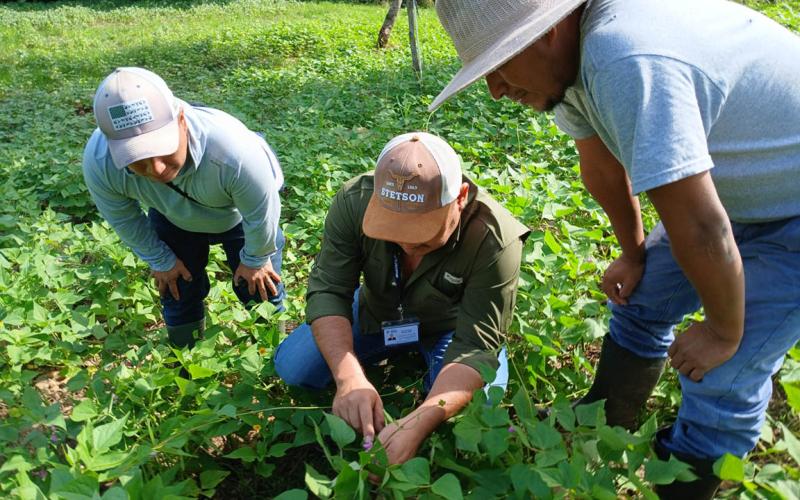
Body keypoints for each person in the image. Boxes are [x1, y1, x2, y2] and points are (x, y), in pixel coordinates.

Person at [429, 0, 800, 497]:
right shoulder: (570, 63)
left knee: (725, 372)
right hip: (738, 196)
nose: (495, 90)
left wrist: (721, 331)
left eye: (499, 63)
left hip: (790, 212)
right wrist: (633, 253)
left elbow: (702, 227)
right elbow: (602, 166)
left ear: (547, 31)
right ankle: (605, 420)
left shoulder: (623, 55)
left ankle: (682, 485)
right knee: (640, 296)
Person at [274, 132, 529, 464]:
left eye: (423, 236)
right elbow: (330, 291)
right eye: (393, 230)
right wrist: (348, 377)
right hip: (376, 310)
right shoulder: (354, 202)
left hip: (451, 326)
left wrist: (420, 420)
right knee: (295, 368)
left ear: (460, 197)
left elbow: (475, 345)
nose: (407, 245)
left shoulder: (495, 238)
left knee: (484, 401)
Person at [83, 67, 285, 348]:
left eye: (161, 149)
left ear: (181, 120)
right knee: (177, 289)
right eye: (137, 159)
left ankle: (273, 355)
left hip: (239, 214)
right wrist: (160, 260)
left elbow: (261, 212)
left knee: (260, 288)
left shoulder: (235, 152)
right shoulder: (100, 161)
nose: (156, 169)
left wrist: (255, 259)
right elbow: (123, 217)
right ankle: (187, 358)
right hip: (172, 214)